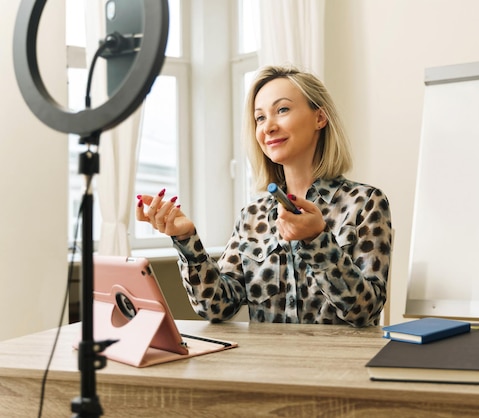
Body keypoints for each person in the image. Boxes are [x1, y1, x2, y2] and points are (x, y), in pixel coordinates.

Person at [136, 65, 393, 327]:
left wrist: (317, 241)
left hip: (339, 367)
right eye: (259, 118)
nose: (267, 127)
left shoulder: (365, 203)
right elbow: (217, 307)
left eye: (282, 110)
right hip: (266, 367)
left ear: (320, 118)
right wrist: (186, 238)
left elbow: (365, 311)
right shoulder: (252, 216)